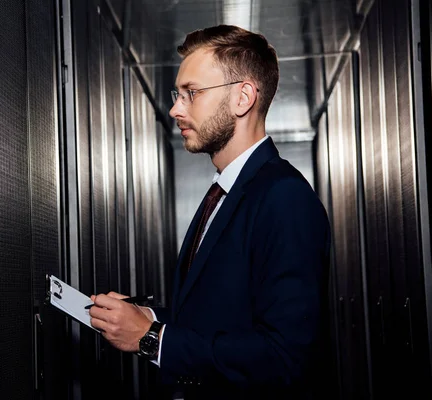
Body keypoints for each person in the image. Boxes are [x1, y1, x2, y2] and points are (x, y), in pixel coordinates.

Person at [89, 24, 331, 399]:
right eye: (177, 94)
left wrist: (154, 340)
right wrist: (146, 320)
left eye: (192, 93)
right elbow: (220, 321)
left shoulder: (285, 198)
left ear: (243, 97)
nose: (174, 109)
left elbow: (286, 358)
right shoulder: (223, 192)